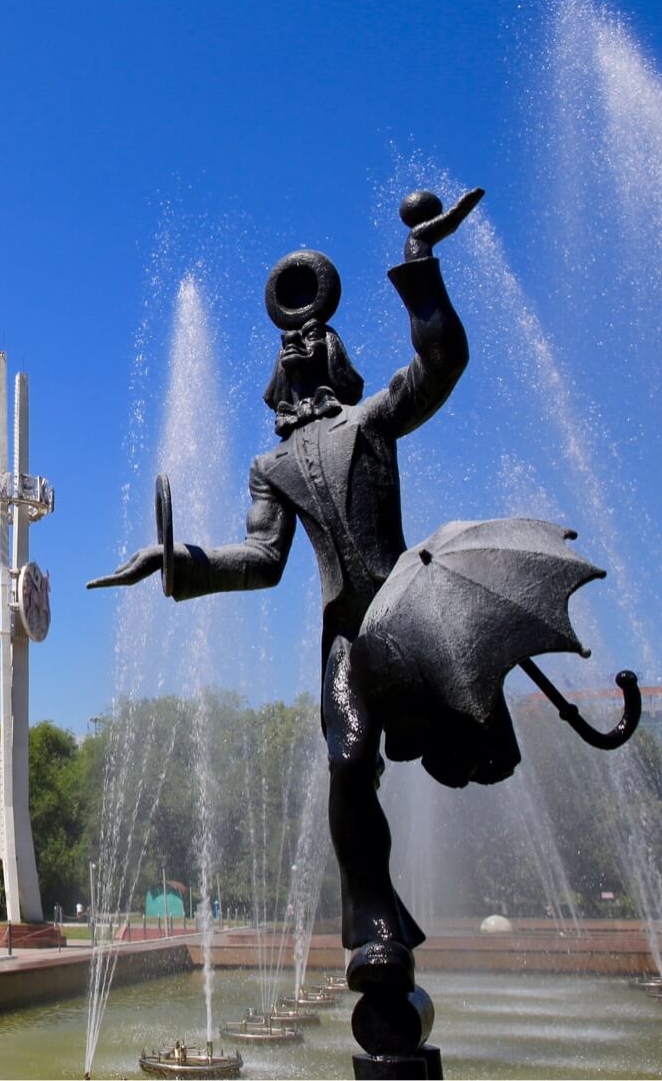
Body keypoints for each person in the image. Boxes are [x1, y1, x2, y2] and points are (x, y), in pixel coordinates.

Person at [89, 187, 481, 995]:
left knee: (459, 737)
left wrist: (421, 261)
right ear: (276, 382)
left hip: (409, 609)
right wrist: (172, 559)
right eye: (289, 353)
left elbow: (443, 363)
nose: (300, 355)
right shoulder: (271, 466)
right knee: (346, 765)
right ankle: (373, 921)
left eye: (314, 346)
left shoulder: (373, 421)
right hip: (346, 635)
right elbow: (262, 558)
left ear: (336, 360)